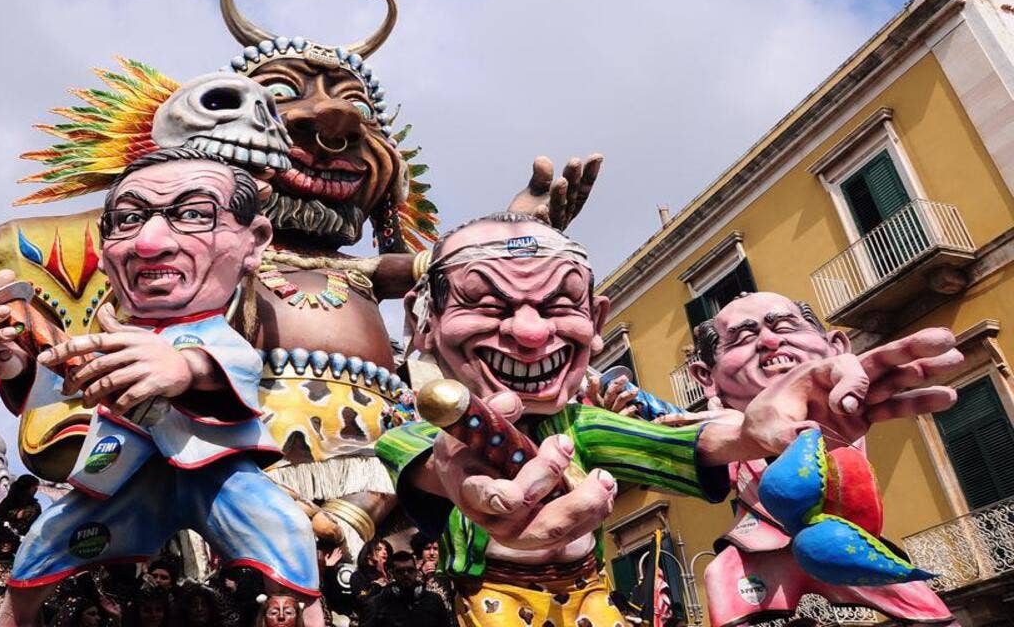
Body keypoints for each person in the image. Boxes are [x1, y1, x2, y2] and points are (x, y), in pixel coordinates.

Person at [376, 213, 962, 626]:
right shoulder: (418, 431)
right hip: (486, 606)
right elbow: (433, 463)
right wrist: (456, 472)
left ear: (596, 316)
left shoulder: (585, 427)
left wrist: (754, 429)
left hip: (595, 605)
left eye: (559, 304)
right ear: (424, 322)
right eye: (487, 303)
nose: (531, 335)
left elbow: (688, 440)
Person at [0, 149, 322, 626]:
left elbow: (230, 369)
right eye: (128, 219)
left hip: (218, 477)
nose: (150, 242)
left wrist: (183, 369)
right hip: (120, 478)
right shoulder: (108, 340)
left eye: (193, 214)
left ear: (255, 240)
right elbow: (62, 381)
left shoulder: (219, 339)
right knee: (38, 553)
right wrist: (10, 362)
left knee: (288, 542)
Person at [685, 291, 959, 626]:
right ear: (706, 377)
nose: (770, 341)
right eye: (743, 337)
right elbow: (690, 442)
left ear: (837, 346)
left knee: (929, 613)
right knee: (721, 578)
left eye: (785, 325)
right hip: (759, 548)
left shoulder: (849, 407)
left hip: (842, 543)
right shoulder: (721, 427)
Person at [358, 551, 452, 627]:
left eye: (410, 570)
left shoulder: (433, 600)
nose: (406, 575)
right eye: (400, 572)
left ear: (416, 572)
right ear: (392, 574)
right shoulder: (378, 604)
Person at [347, 539, 390, 616]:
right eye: (378, 549)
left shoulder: (390, 573)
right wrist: (376, 586)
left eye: (386, 549)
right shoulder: (358, 576)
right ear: (368, 554)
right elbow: (362, 595)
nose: (385, 552)